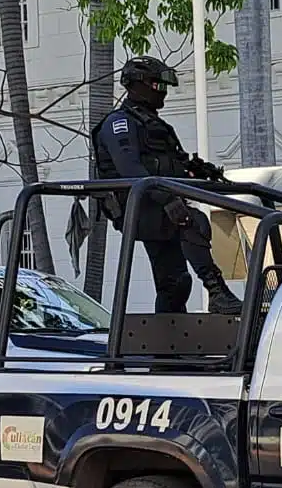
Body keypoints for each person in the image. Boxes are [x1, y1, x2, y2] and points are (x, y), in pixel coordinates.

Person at [92, 55, 243, 315]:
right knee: (192, 222)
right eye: (157, 86)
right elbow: (131, 170)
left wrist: (200, 171)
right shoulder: (119, 123)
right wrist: (169, 201)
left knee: (175, 283)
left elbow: (176, 161)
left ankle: (169, 346)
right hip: (140, 207)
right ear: (137, 84)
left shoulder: (155, 124)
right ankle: (217, 291)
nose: (162, 93)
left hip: (160, 205)